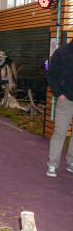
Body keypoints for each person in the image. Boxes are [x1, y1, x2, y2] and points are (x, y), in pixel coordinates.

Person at [46, 40, 73, 177]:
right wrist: (59, 93)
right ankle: (52, 164)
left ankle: (71, 161)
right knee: (60, 132)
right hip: (65, 99)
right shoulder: (61, 53)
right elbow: (51, 75)